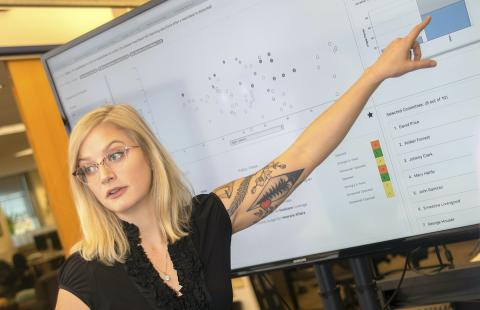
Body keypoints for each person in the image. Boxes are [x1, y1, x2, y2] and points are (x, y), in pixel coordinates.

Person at [55, 17, 437, 310]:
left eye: (115, 154)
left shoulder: (204, 222)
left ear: (149, 153)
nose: (103, 174)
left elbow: (301, 157)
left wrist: (375, 75)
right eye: (88, 168)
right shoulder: (85, 271)